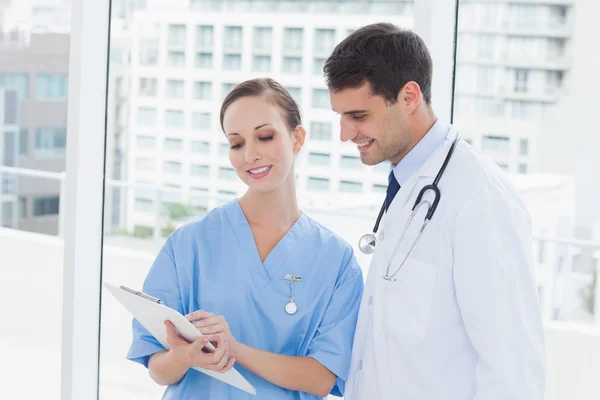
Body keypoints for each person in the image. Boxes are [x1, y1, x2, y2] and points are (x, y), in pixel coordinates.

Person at [323, 23, 545, 399]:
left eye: (358, 116)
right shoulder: (409, 182)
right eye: (341, 116)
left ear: (409, 96)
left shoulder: (480, 200)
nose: (345, 133)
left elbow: (513, 372)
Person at [126, 77, 364, 399]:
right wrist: (184, 356)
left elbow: (322, 378)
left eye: (265, 137)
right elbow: (157, 366)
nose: (250, 155)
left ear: (297, 138)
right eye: (237, 143)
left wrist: (234, 349)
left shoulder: (336, 261)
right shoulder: (190, 244)